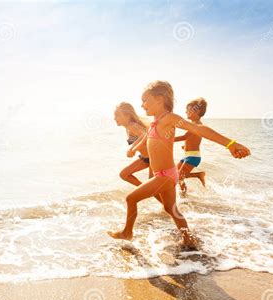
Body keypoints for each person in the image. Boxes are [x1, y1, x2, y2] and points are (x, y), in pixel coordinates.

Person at [107, 81, 250, 249]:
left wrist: (230, 143)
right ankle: (188, 238)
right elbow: (146, 137)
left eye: (145, 100)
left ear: (159, 99)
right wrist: (134, 149)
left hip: (165, 176)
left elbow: (199, 130)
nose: (142, 105)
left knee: (130, 199)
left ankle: (127, 233)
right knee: (170, 208)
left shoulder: (170, 118)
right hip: (166, 174)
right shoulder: (156, 121)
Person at [174, 98, 207, 193]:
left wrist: (167, 140)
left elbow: (184, 137)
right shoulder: (193, 124)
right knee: (175, 175)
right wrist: (185, 147)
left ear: (197, 111)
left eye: (188, 110)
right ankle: (198, 175)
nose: (185, 111)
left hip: (193, 157)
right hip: (188, 155)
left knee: (179, 176)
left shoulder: (197, 125)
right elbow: (192, 139)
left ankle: (184, 196)